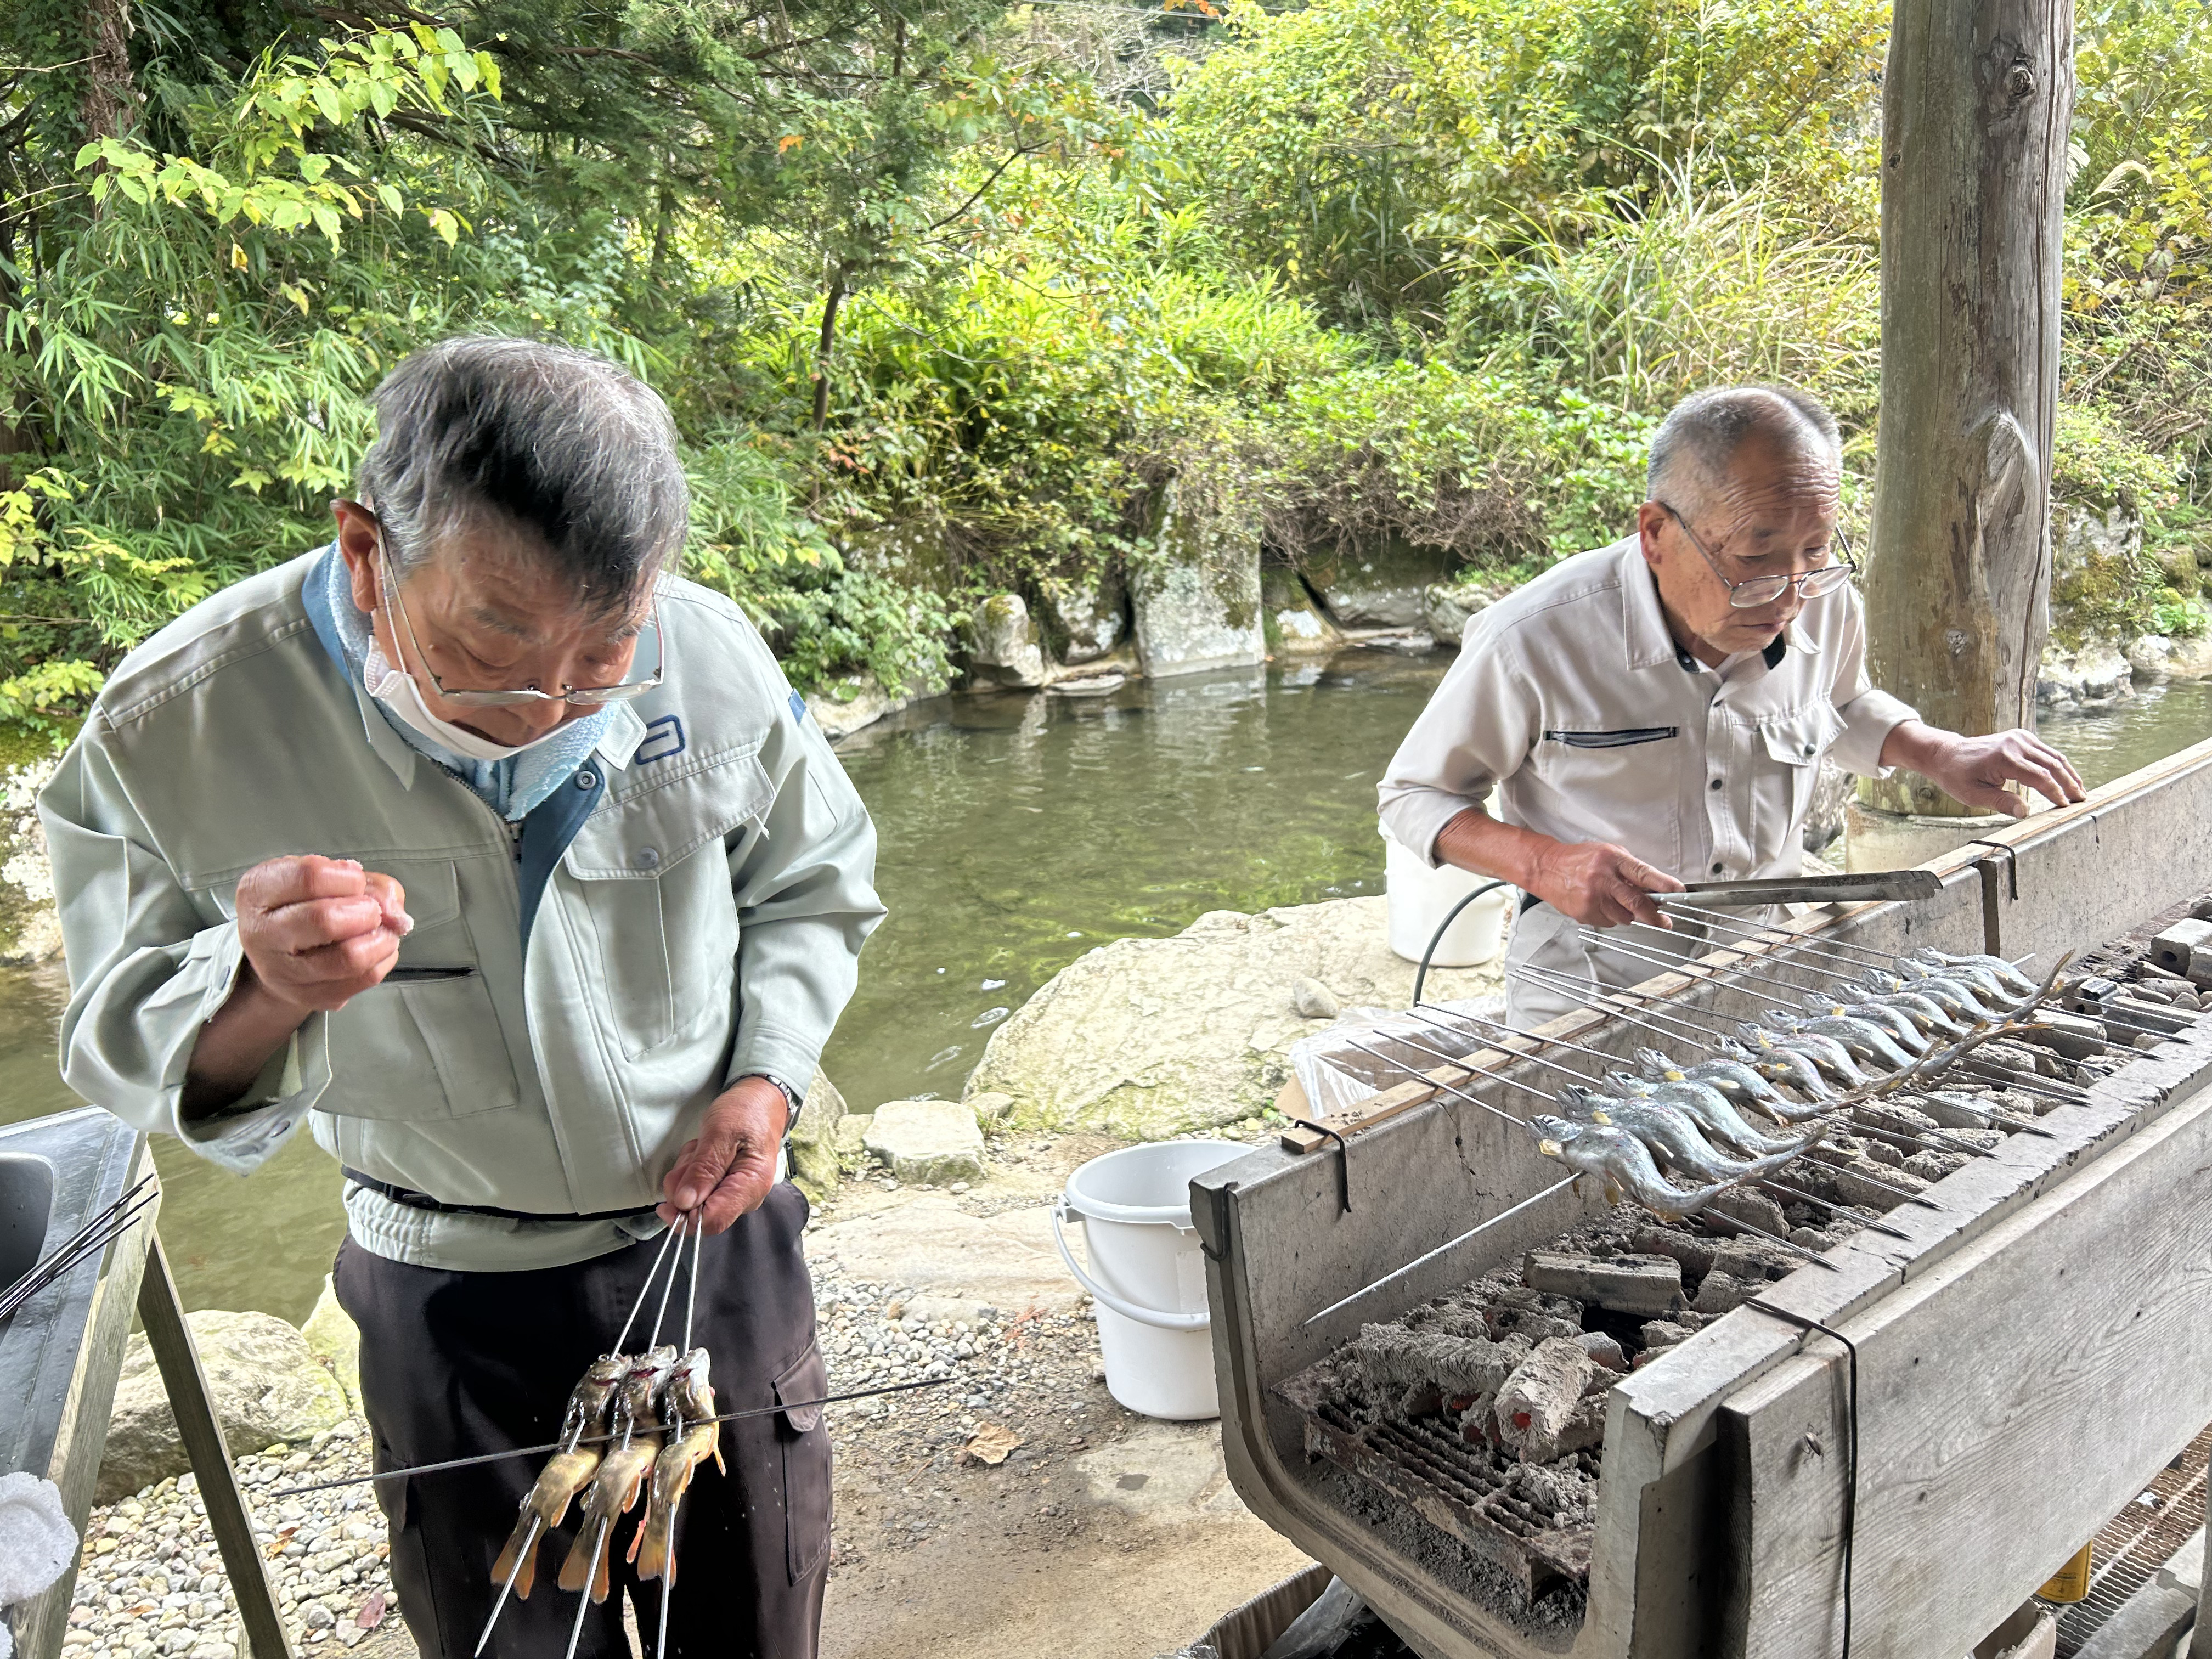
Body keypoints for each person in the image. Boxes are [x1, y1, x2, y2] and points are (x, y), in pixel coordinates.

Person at [40, 337, 884, 1659]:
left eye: (603, 653)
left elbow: (817, 878)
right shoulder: (174, 728)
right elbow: (117, 1044)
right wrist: (259, 986)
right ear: (369, 552)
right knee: (512, 1634)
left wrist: (767, 1076)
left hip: (719, 1251)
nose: (544, 707)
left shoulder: (706, 651)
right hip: (455, 1297)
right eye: (493, 643)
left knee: (758, 1608)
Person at [1378, 383, 2084, 1026]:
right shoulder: (1533, 638)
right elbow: (1414, 796)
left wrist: (1938, 751)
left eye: (1814, 548)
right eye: (1754, 557)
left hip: (1774, 953)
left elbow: (1841, 703)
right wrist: (1541, 864)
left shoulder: (1822, 602)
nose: (1789, 592)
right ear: (1656, 533)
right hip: (1596, 974)